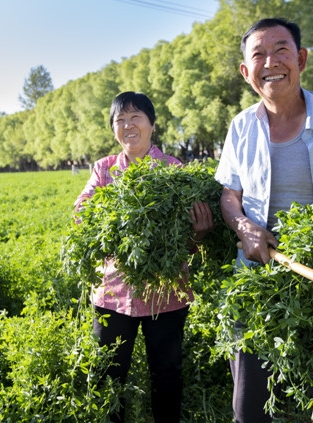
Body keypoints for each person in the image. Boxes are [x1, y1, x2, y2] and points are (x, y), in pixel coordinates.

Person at [215, 18, 313, 423]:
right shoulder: (241, 128)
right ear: (246, 71)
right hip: (259, 287)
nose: (271, 62)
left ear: (301, 59)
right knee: (250, 408)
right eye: (259, 55)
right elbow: (230, 195)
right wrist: (244, 226)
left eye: (281, 50)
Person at [74, 91, 214, 423]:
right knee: (108, 374)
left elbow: (187, 241)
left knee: (167, 373)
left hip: (166, 293)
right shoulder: (104, 169)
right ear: (113, 129)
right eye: (119, 120)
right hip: (113, 294)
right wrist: (119, 216)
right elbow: (81, 214)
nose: (127, 125)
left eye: (135, 117)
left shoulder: (174, 171)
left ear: (152, 124)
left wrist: (199, 234)